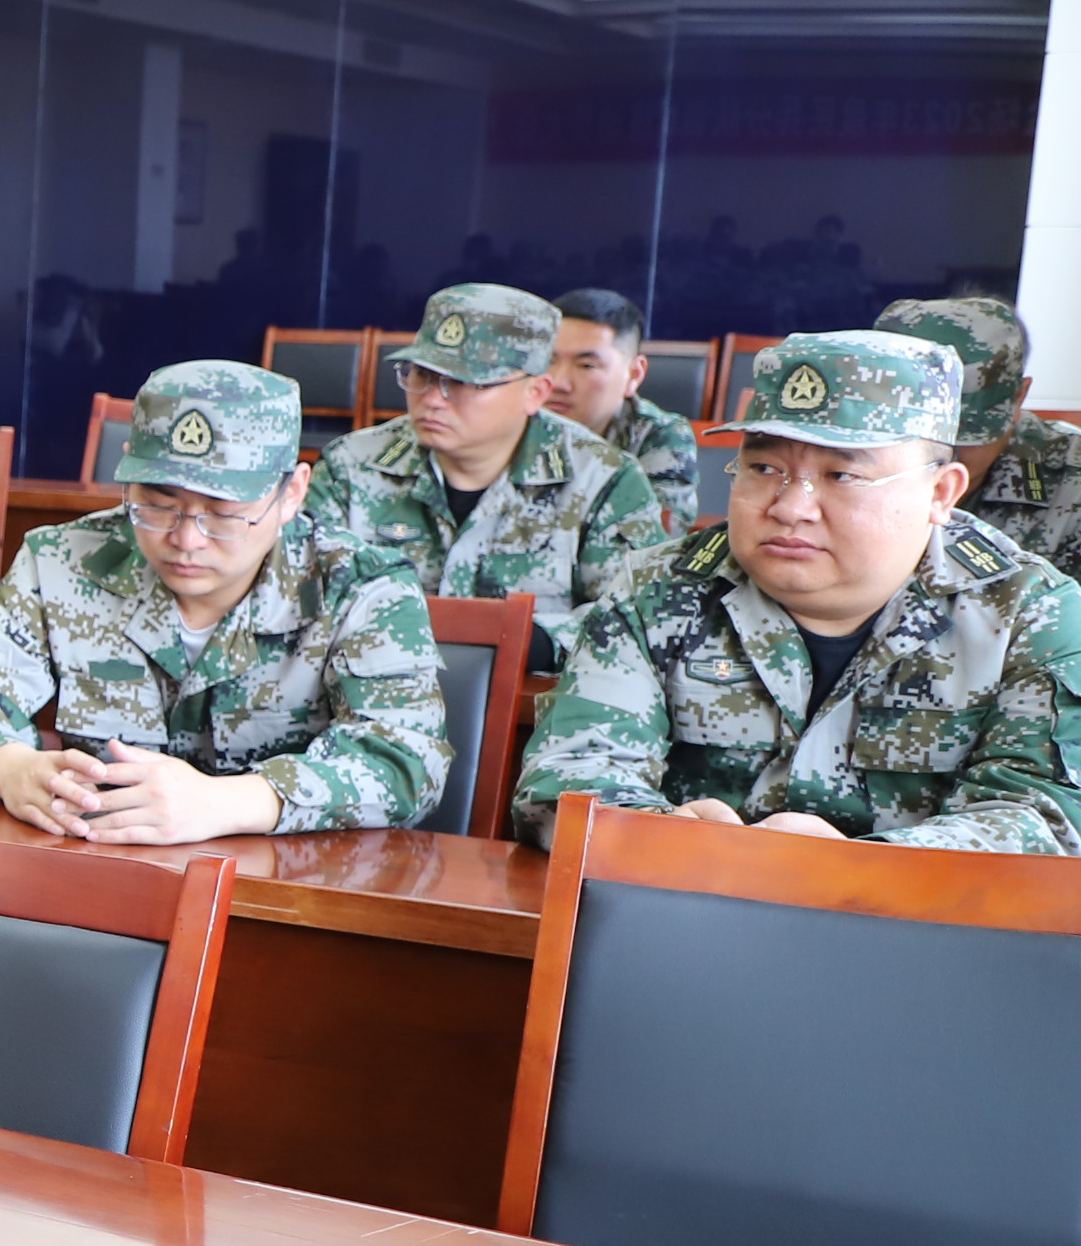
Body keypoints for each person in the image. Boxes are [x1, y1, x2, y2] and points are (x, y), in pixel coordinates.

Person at [516, 330, 1081, 853]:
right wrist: (664, 839)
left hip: (911, 922)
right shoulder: (657, 590)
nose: (789, 507)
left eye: (841, 476)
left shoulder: (1032, 616)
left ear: (940, 493)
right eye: (763, 468)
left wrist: (850, 870)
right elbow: (568, 779)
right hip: (685, 903)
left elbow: (1045, 820)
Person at [0, 360, 449, 840]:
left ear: (292, 493)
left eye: (223, 514)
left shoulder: (361, 586)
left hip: (285, 887)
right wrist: (10, 768)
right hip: (101, 870)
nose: (186, 540)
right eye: (158, 505)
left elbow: (408, 760)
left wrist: (228, 802)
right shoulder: (63, 560)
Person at [302, 284, 669, 637]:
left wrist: (527, 643)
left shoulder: (604, 479)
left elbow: (636, 618)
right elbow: (303, 598)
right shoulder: (350, 466)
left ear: (535, 392)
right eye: (423, 375)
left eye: (464, 382)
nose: (432, 399)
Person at [878, 294, 1081, 577]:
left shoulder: (1071, 481)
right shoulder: (829, 460)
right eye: (913, 432)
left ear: (1019, 399)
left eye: (965, 433)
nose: (941, 450)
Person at [548, 287, 704, 524]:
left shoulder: (658, 434)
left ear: (634, 374)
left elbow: (657, 534)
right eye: (550, 360)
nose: (558, 383)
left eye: (586, 366)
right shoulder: (512, 417)